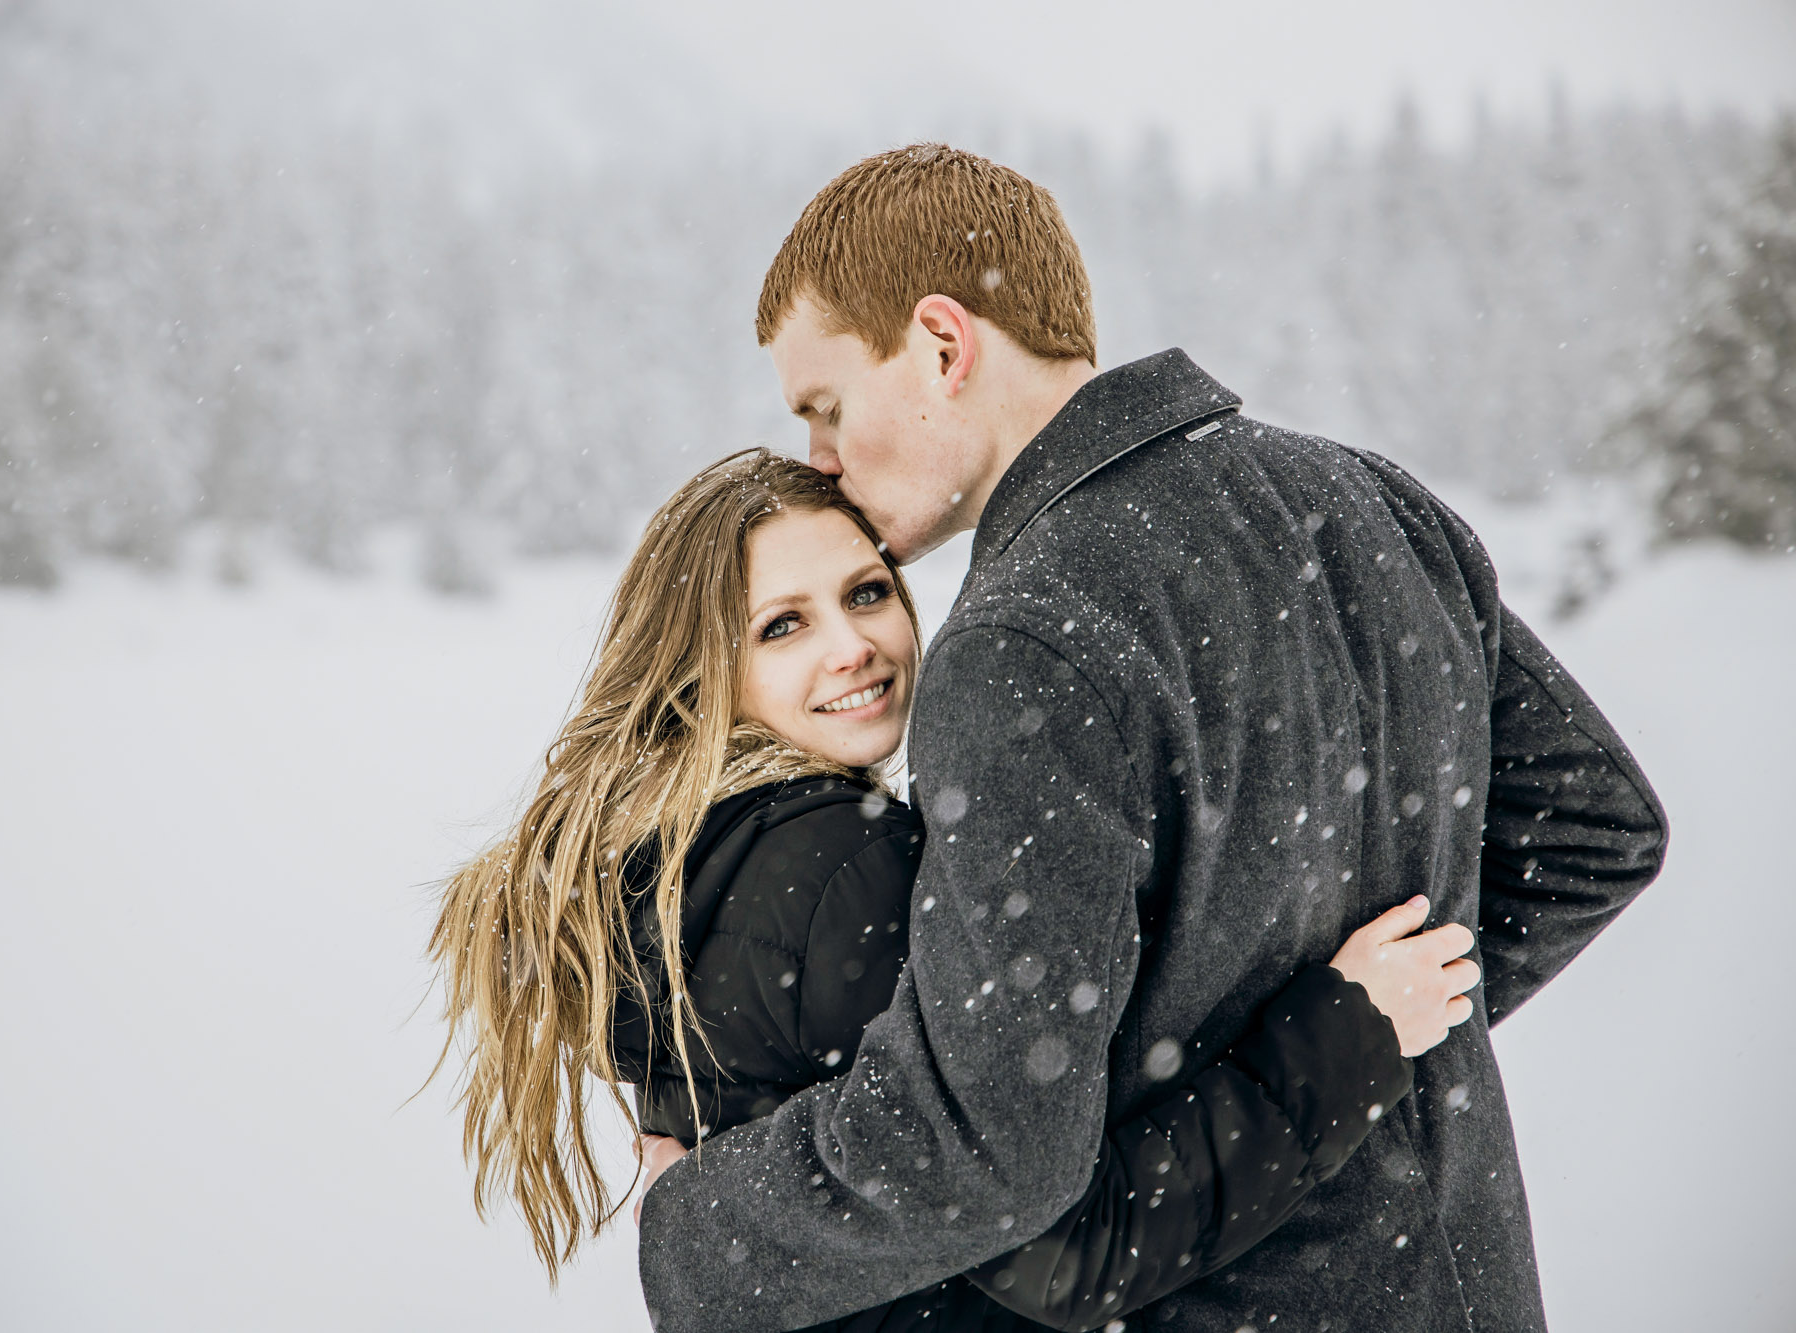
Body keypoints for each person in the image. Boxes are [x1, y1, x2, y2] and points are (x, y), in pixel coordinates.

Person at [632, 146, 1669, 1333]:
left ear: (939, 342)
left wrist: (699, 1227)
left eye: (825, 407)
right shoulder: (1369, 498)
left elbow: (987, 1148)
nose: (818, 455)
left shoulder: (1022, 639)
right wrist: (1379, 1027)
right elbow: (1594, 829)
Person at [428, 448, 1481, 1330]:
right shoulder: (843, 862)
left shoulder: (677, 860)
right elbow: (1064, 1246)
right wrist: (1347, 1036)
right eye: (781, 625)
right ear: (700, 667)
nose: (854, 647)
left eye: (866, 591)